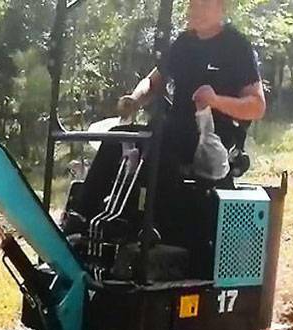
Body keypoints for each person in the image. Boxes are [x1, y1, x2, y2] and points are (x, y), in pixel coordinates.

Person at [74, 0, 265, 232]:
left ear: (221, 7)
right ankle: (81, 218)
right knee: (117, 138)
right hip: (173, 130)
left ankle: (156, 232)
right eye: (193, 5)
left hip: (213, 137)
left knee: (159, 145)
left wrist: (216, 101)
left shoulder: (236, 47)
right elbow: (153, 81)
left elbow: (257, 106)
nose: (196, 10)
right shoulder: (184, 44)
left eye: (204, 5)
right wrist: (135, 99)